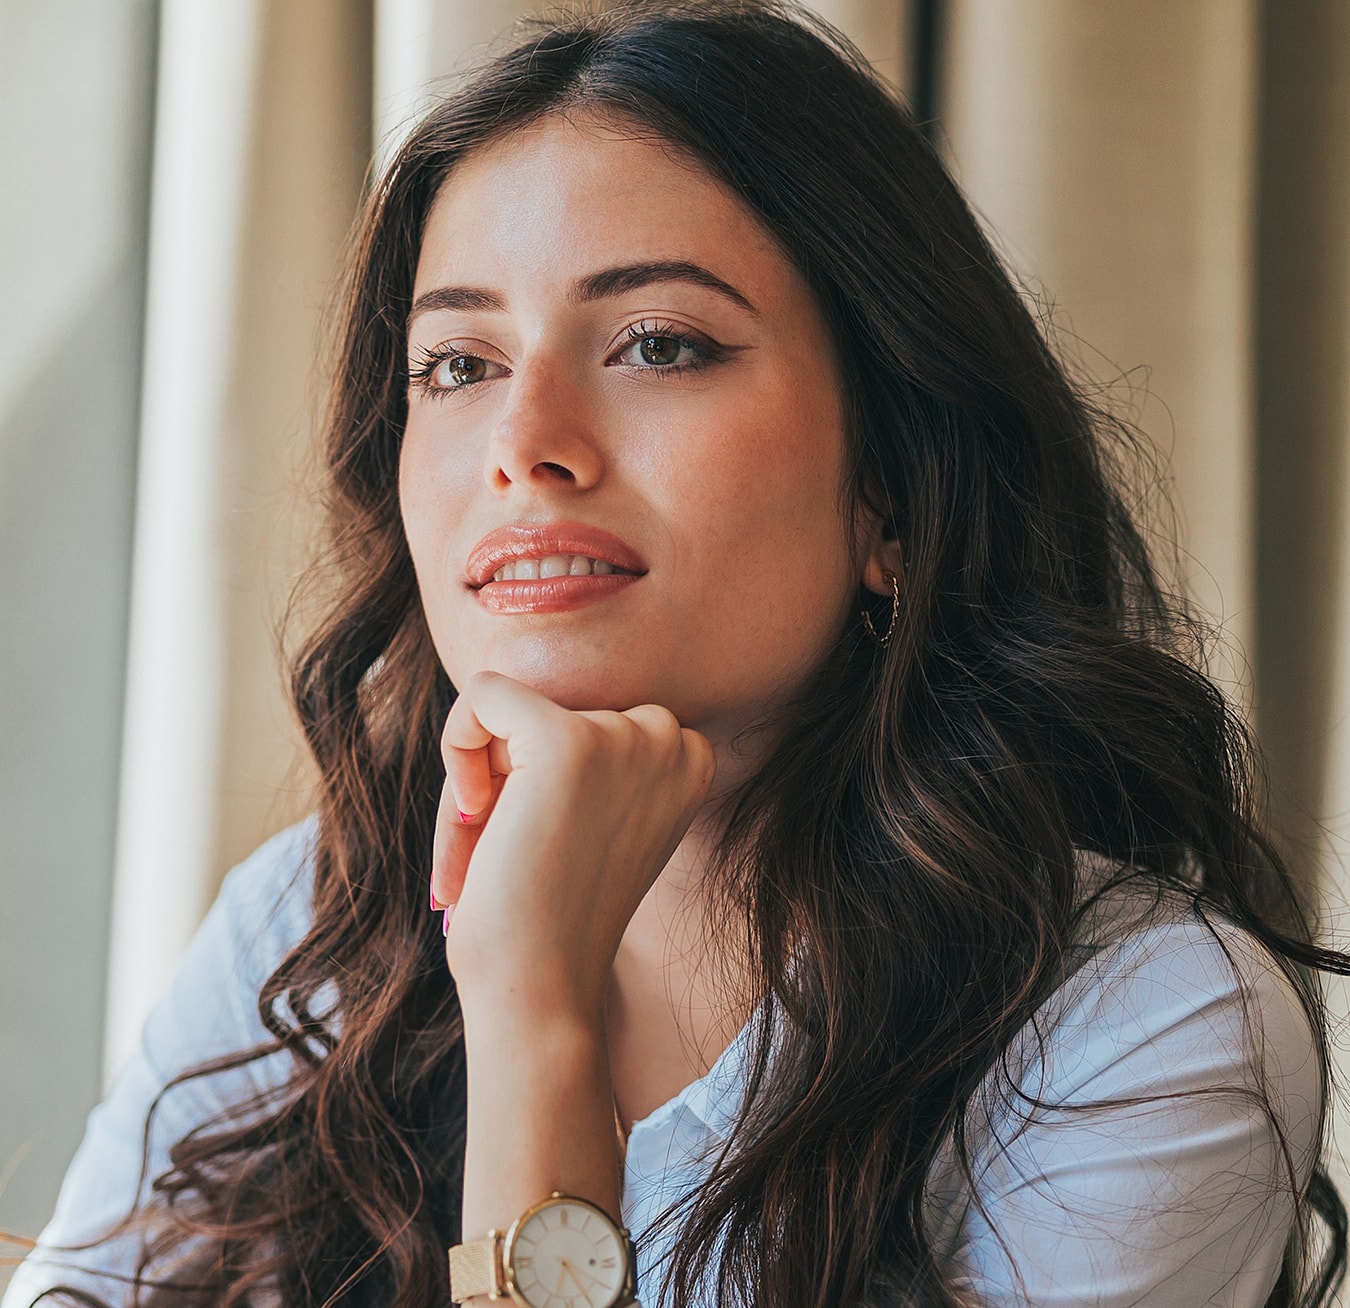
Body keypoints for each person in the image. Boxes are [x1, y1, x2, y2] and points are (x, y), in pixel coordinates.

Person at [5, 2, 1346, 1305]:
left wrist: (535, 1018)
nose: (525, 442)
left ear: (890, 488)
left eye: (659, 345)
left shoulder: (1136, 1026)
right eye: (458, 364)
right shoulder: (311, 925)